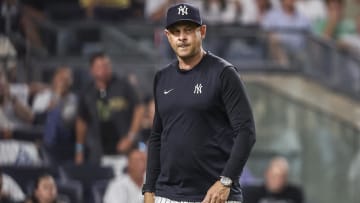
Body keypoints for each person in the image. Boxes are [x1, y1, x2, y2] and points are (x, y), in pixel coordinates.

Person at [142, 3, 256, 203]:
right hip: (167, 195)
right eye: (176, 32)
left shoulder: (223, 73)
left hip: (214, 195)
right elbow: (157, 136)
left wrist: (226, 181)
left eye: (188, 30)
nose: (182, 37)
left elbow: (246, 131)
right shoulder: (162, 77)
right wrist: (149, 189)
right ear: (167, 35)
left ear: (202, 31)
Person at [75, 52, 144, 166]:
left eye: (106, 65)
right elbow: (81, 122)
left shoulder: (123, 86)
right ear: (92, 70)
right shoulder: (87, 93)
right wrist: (79, 150)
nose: (104, 69)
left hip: (125, 151)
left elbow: (139, 109)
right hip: (98, 153)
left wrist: (130, 138)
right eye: (99, 66)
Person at [32, 67, 77, 164]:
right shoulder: (43, 97)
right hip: (43, 141)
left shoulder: (74, 100)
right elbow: (38, 119)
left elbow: (68, 122)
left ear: (71, 82)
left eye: (66, 80)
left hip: (65, 145)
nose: (63, 83)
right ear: (54, 79)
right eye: (60, 79)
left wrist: (57, 96)